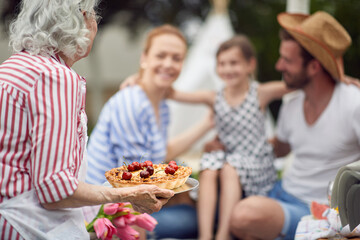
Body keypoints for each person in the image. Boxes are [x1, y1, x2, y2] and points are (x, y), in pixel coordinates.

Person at [0, 1, 174, 239]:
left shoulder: (12, 67)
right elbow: (55, 190)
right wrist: (128, 195)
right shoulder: (54, 77)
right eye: (93, 16)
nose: (95, 24)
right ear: (79, 20)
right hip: (28, 226)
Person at [226, 11, 360, 240]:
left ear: (314, 67)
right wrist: (228, 142)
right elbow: (279, 147)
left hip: (315, 208)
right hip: (280, 192)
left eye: (287, 60)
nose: (279, 65)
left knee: (243, 216)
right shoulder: (292, 104)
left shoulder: (352, 103)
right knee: (218, 196)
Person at [85, 24, 215, 239]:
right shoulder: (133, 102)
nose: (168, 64)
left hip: (127, 205)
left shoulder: (161, 104)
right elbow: (134, 182)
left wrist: (206, 124)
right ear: (144, 58)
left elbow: (159, 153)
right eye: (161, 55)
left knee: (201, 211)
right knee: (202, 217)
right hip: (106, 215)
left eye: (176, 58)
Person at [167, 35, 289, 240]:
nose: (227, 69)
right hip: (227, 157)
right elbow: (175, 94)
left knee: (229, 168)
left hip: (256, 161)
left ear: (250, 64)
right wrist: (139, 78)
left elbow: (298, 84)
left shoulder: (260, 92)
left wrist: (342, 78)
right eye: (222, 64)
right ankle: (205, 235)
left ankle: (223, 234)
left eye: (234, 63)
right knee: (208, 167)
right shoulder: (214, 97)